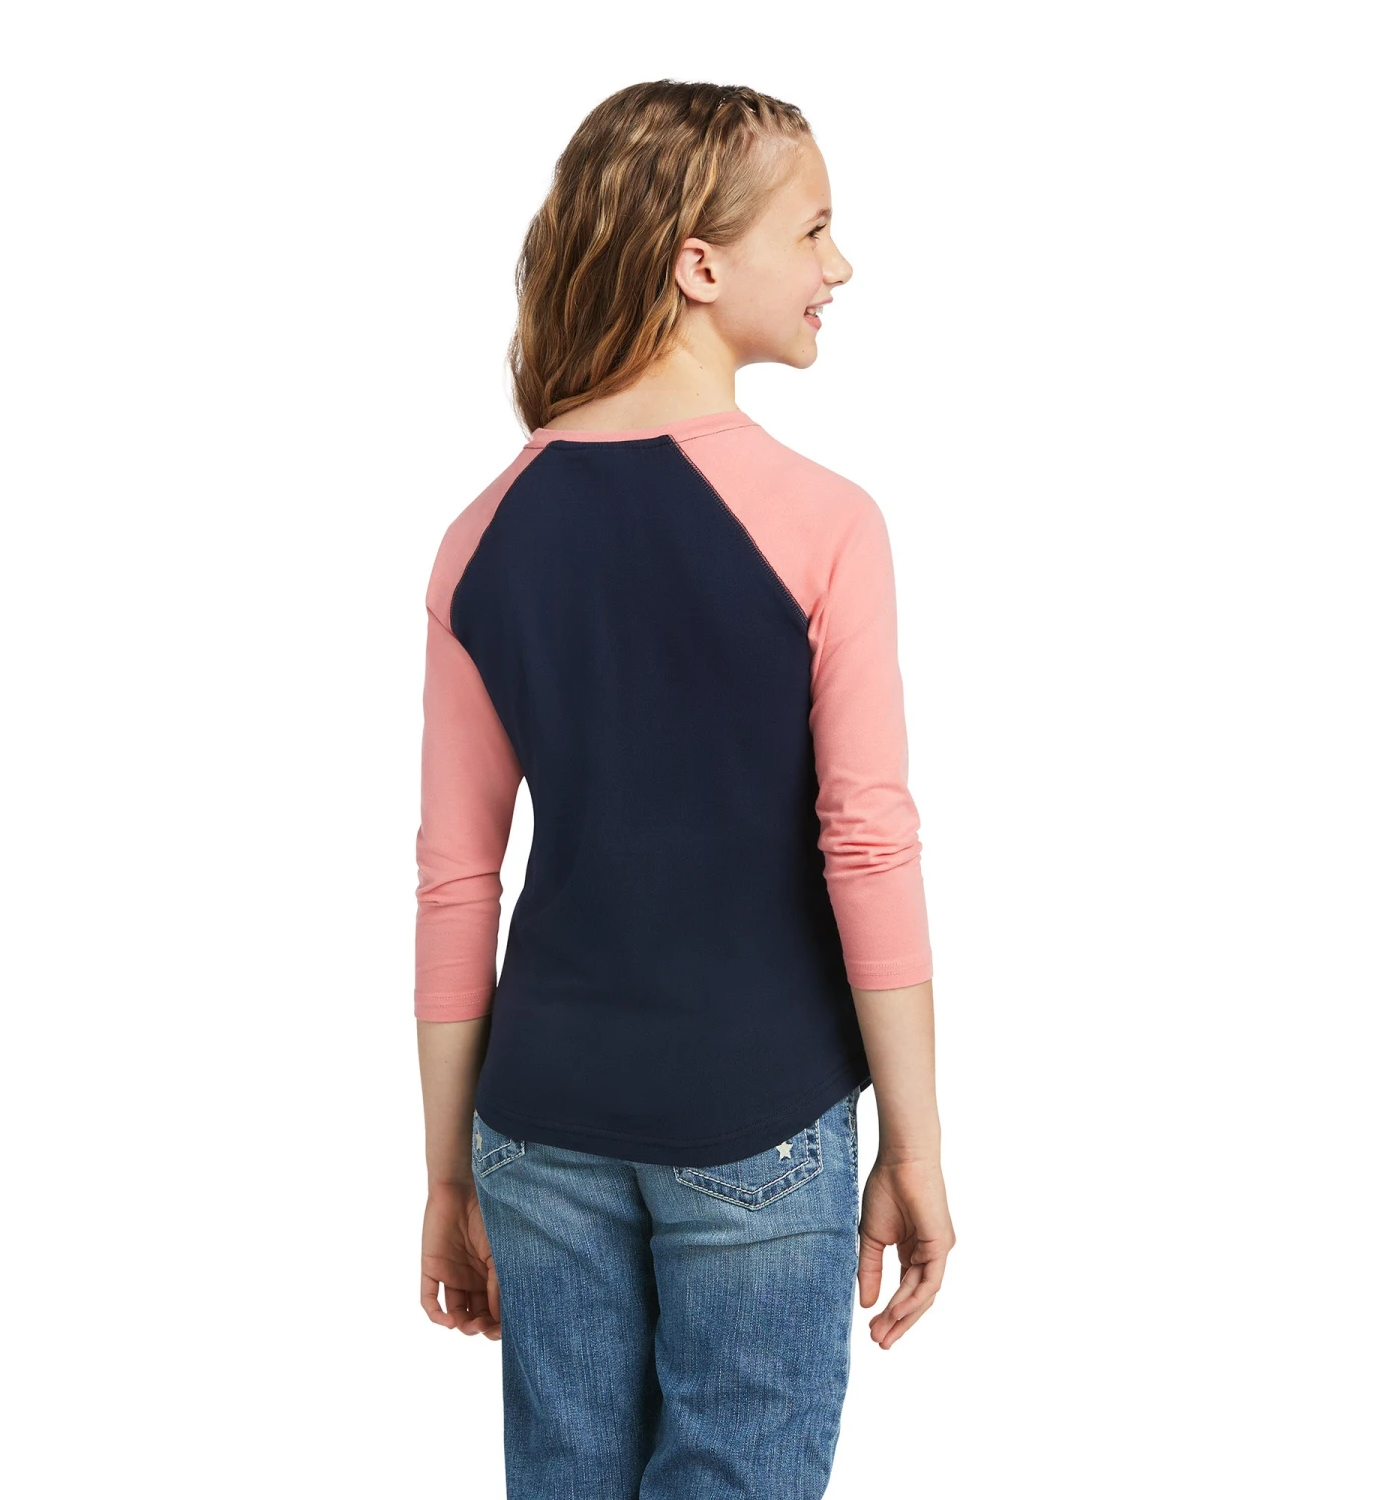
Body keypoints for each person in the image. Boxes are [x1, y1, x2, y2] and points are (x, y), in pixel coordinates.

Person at [415, 79, 955, 1499]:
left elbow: (456, 879)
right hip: (757, 1108)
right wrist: (914, 1141)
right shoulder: (826, 523)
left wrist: (449, 1171)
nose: (841, 266)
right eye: (815, 230)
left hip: (537, 1124)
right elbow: (868, 845)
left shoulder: (482, 534)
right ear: (699, 264)